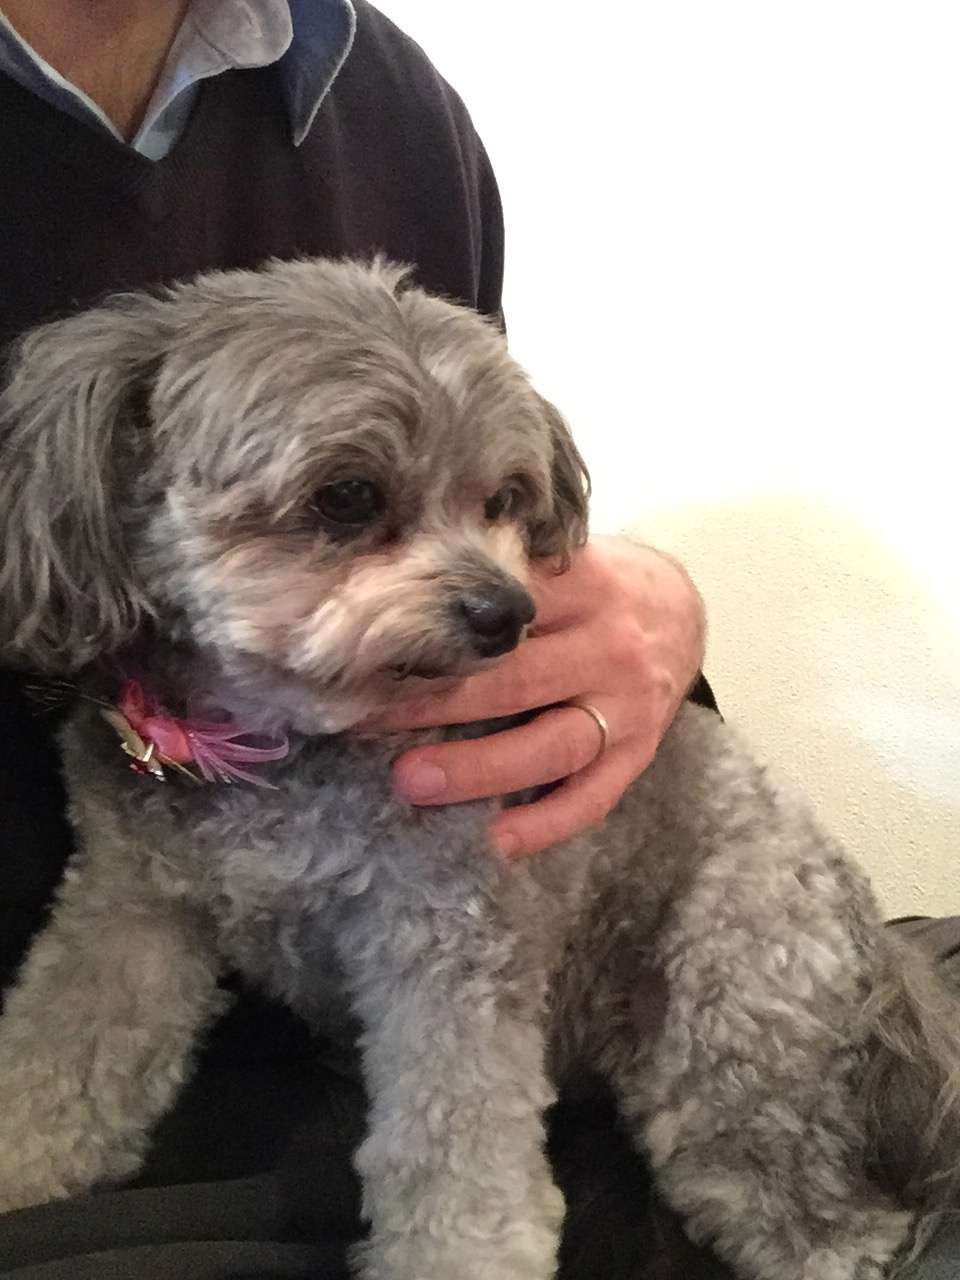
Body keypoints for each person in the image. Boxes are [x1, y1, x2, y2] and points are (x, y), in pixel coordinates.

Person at [0, 4, 955, 1278]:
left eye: (500, 506)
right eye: (349, 502)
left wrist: (662, 611)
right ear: (127, 480)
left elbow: (539, 569)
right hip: (259, 1076)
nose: (494, 589)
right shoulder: (125, 717)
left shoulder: (381, 96)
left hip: (610, 986)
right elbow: (125, 938)